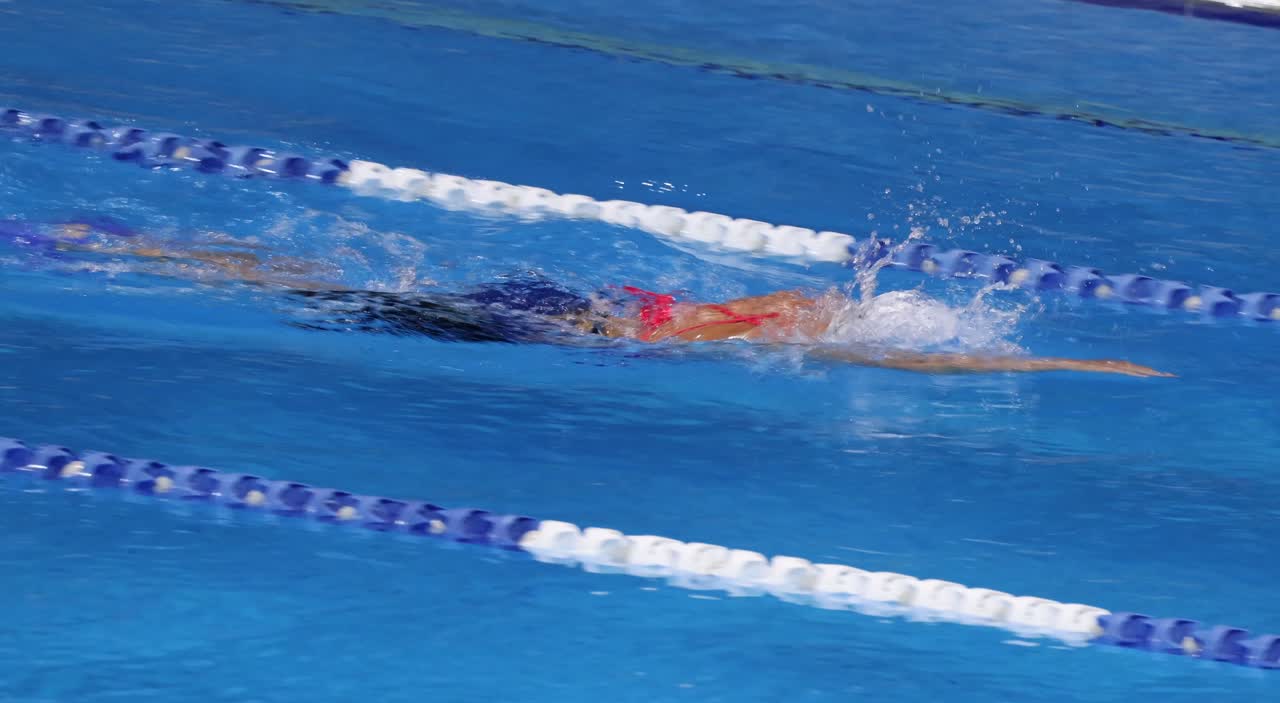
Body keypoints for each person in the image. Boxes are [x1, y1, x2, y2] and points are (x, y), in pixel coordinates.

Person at [16, 216, 1171, 377]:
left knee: (339, 278)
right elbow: (930, 366)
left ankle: (175, 248)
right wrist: (1068, 368)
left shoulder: (786, 300)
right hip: (547, 321)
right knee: (334, 293)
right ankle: (156, 258)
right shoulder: (801, 338)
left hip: (553, 295)